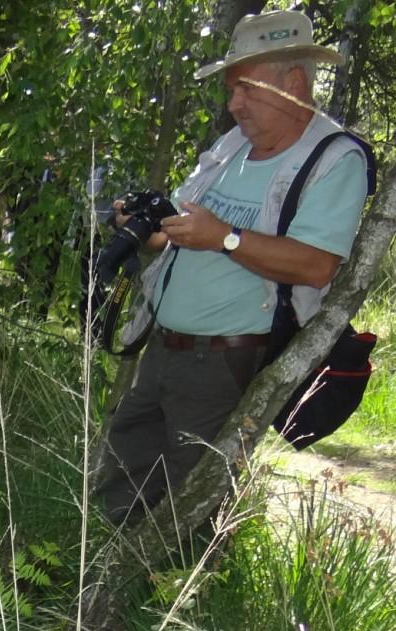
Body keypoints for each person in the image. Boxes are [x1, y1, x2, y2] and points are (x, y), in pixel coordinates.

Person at [96, 10, 371, 526]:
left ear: (294, 82)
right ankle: (106, 584)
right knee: (123, 469)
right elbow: (182, 229)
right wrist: (148, 228)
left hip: (225, 362)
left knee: (189, 496)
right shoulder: (232, 146)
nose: (233, 104)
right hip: (164, 347)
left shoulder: (334, 159)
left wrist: (223, 236)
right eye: (231, 90)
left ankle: (180, 596)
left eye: (246, 89)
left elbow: (316, 265)